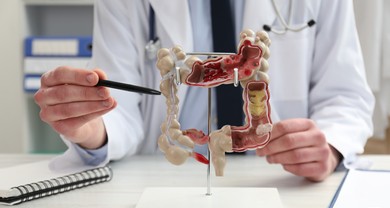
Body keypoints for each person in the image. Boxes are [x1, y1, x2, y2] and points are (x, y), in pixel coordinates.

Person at [34, 0, 374, 182]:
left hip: (276, 181)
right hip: (165, 179)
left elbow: (345, 96)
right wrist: (91, 127)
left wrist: (328, 145)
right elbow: (120, 107)